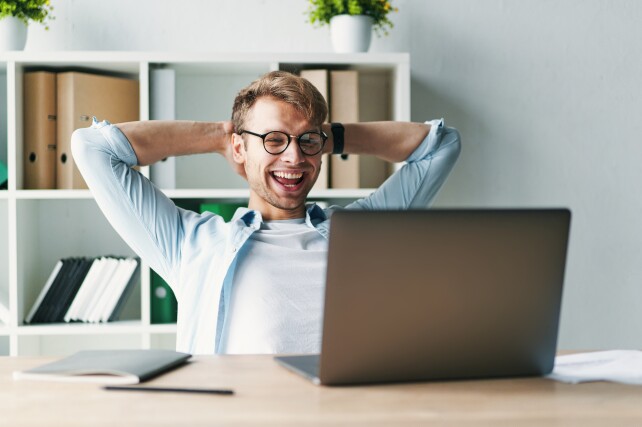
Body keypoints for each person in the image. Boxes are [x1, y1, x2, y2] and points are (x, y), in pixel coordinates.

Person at [71, 70, 461, 355]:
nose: (294, 157)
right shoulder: (190, 244)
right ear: (240, 149)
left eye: (307, 141)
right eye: (274, 140)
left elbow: (442, 145)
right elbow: (93, 148)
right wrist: (220, 135)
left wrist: (329, 136)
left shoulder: (362, 230)